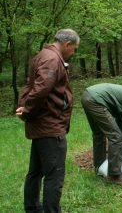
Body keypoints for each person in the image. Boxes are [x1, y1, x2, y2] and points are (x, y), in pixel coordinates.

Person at [16, 29, 80, 213]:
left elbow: (30, 85)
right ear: (66, 44)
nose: (73, 53)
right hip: (50, 127)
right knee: (54, 176)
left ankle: (33, 208)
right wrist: (26, 109)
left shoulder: (42, 55)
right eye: (74, 48)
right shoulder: (52, 59)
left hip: (41, 126)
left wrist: (23, 107)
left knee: (35, 171)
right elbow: (41, 88)